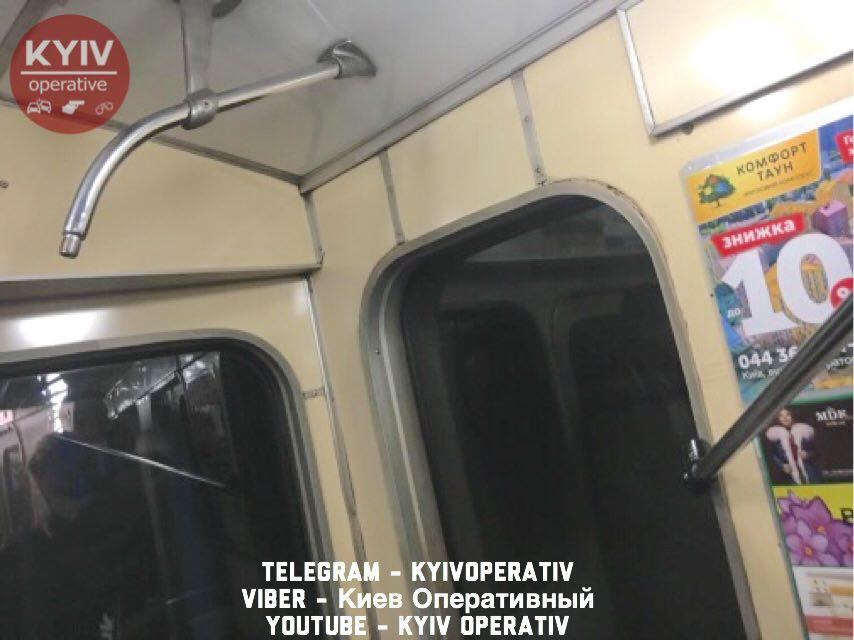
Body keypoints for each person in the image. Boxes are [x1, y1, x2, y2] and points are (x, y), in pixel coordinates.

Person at [765, 408, 822, 484]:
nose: (785, 418)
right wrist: (782, 465)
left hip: (810, 473)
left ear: (792, 416)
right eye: (781, 416)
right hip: (790, 476)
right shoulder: (775, 437)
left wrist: (808, 454)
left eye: (788, 415)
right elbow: (772, 456)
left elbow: (817, 451)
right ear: (778, 419)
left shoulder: (804, 431)